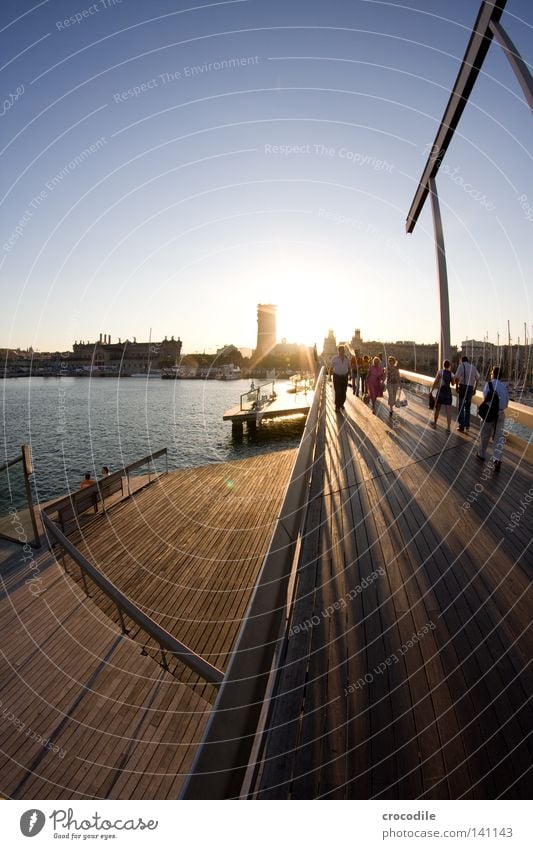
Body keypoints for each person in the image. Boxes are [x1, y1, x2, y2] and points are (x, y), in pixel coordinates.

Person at [477, 366, 509, 472]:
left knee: (485, 435)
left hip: (488, 414)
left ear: (493, 374)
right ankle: (497, 459)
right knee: (498, 438)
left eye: (491, 373)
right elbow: (506, 404)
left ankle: (481, 454)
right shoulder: (504, 387)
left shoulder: (489, 384)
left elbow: (485, 399)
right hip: (500, 414)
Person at [455, 355, 479, 432]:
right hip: (470, 388)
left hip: (463, 387)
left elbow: (456, 377)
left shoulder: (461, 366)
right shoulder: (473, 367)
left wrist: (456, 386)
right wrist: (475, 389)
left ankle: (461, 426)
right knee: (468, 407)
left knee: (461, 407)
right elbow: (478, 378)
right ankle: (467, 425)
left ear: (461, 360)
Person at [430, 360, 455, 432]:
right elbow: (453, 384)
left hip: (441, 391)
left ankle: (435, 424)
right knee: (448, 411)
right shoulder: (451, 374)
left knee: (437, 409)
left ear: (443, 365)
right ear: (449, 366)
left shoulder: (440, 372)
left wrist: (431, 391)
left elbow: (435, 382)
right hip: (448, 392)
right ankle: (448, 428)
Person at [330, 344, 350, 411]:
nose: (342, 352)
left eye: (343, 351)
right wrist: (329, 377)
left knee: (344, 392)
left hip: (345, 377)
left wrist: (350, 376)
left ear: (344, 351)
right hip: (337, 377)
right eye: (341, 351)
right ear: (338, 351)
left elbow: (349, 368)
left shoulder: (347, 359)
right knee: (338, 391)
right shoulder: (334, 359)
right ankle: (337, 406)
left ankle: (341, 404)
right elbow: (331, 368)